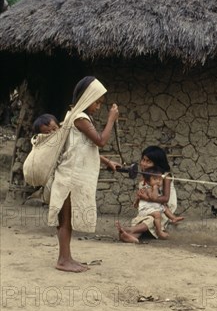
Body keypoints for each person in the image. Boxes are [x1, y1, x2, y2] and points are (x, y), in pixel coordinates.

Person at [47, 76, 120, 272]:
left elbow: (84, 147)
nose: (98, 106)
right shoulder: (79, 117)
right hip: (69, 176)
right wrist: (111, 120)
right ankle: (63, 260)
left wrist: (106, 161)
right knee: (65, 220)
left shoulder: (75, 116)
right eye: (97, 102)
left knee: (67, 220)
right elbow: (100, 141)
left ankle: (67, 257)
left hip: (70, 175)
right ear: (88, 98)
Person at [116, 146, 181, 243]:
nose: (144, 164)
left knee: (151, 219)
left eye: (148, 161)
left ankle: (130, 230)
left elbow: (165, 199)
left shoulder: (165, 177)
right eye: (143, 160)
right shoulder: (144, 177)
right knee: (143, 220)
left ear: (157, 163)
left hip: (164, 208)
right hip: (149, 207)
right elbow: (143, 196)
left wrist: (147, 198)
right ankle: (129, 237)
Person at [133, 167, 184, 240]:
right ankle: (159, 232)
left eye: (160, 179)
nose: (158, 181)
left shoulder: (153, 188)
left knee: (165, 208)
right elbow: (154, 198)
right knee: (157, 214)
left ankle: (173, 218)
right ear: (148, 181)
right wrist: (155, 188)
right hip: (145, 209)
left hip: (152, 208)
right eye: (155, 179)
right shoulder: (148, 189)